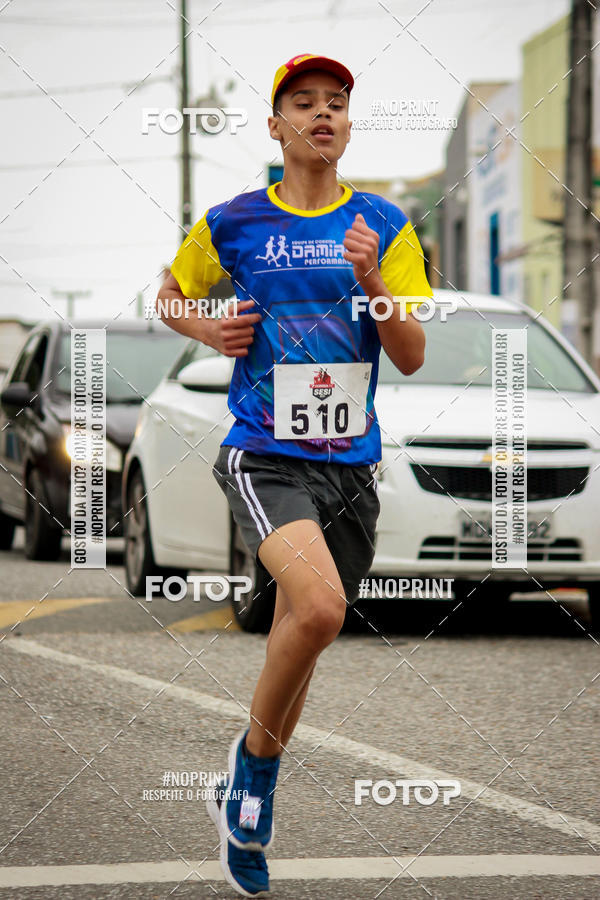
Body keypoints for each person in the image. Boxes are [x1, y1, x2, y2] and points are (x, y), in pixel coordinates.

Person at [157, 52, 432, 897]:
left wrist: (371, 276)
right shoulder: (233, 221)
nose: (323, 114)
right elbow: (169, 296)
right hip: (264, 453)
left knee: (303, 633)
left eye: (336, 103)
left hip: (349, 466)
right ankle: (255, 778)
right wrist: (209, 331)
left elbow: (412, 355)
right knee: (318, 607)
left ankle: (244, 790)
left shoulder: (384, 224)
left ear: (348, 126)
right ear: (276, 127)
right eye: (304, 103)